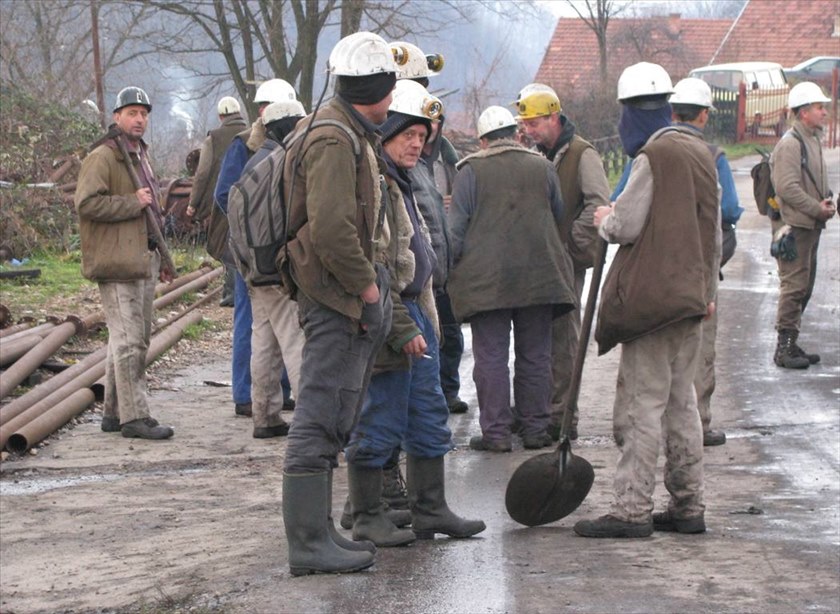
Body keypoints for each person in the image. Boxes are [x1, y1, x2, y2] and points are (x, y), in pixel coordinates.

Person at [574, 62, 720, 539]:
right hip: (691, 301)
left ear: (630, 113)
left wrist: (603, 218)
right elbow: (713, 230)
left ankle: (632, 510)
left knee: (641, 406)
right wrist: (708, 293)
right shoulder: (701, 152)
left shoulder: (652, 156)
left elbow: (625, 225)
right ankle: (688, 505)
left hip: (654, 304)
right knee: (682, 405)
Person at [343, 80, 486, 548]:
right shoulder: (374, 182)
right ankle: (366, 514)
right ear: (386, 132)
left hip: (416, 311)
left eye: (422, 137)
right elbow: (374, 262)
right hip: (387, 315)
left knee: (428, 413)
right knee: (379, 414)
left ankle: (431, 508)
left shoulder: (403, 179)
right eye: (408, 133)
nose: (416, 143)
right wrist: (402, 323)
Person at [278, 31, 397, 576]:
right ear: (375, 87)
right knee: (318, 412)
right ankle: (306, 542)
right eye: (391, 89)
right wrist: (366, 285)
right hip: (333, 295)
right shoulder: (332, 137)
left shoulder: (346, 129)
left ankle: (320, 531)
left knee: (332, 414)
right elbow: (331, 226)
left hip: (338, 293)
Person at [448, 105, 577, 453]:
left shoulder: (470, 171)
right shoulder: (543, 167)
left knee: (490, 357)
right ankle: (535, 429)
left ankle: (496, 434)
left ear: (483, 140)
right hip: (540, 277)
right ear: (515, 134)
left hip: (487, 282)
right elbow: (558, 212)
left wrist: (449, 272)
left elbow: (455, 232)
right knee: (536, 355)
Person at [75, 86, 174, 440]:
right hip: (117, 263)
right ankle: (135, 417)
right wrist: (131, 202)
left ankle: (113, 413)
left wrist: (161, 255)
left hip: (142, 258)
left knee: (131, 340)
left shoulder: (139, 155)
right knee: (130, 341)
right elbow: (86, 204)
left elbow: (153, 211)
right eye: (132, 113)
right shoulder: (103, 156)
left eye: (144, 114)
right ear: (116, 116)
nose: (139, 119)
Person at [516, 84, 610, 442]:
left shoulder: (583, 155)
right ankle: (534, 410)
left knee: (565, 340)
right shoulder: (536, 153)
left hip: (566, 262)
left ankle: (562, 416)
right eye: (525, 124)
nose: (528, 129)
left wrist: (570, 246)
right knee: (533, 338)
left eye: (535, 122)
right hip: (536, 261)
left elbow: (597, 206)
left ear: (554, 118)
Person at [390, 40, 468, 417]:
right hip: (407, 289)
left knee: (444, 345)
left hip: (432, 276)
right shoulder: (392, 165)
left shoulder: (434, 151)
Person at [213, 80, 298, 419]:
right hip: (251, 253)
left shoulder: (281, 146)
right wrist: (253, 231)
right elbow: (225, 195)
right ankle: (245, 395)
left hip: (264, 250)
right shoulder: (243, 146)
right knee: (254, 324)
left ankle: (275, 397)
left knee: (269, 328)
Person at [670, 77, 744, 446]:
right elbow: (729, 208)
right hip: (700, 267)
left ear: (672, 113)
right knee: (699, 346)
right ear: (703, 116)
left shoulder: (650, 151)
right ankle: (698, 422)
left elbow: (620, 199)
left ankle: (659, 422)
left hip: (659, 267)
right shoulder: (713, 156)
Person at [235, 99, 307, 439]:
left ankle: (264, 416)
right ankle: (312, 422)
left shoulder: (254, 162)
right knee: (296, 342)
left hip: (253, 268)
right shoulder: (283, 160)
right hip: (278, 268)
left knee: (263, 343)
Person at [770, 81, 835, 369]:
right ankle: (783, 350)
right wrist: (816, 209)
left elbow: (815, 182)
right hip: (795, 228)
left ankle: (791, 343)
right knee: (794, 287)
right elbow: (787, 188)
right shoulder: (791, 143)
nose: (825, 112)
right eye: (820, 107)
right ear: (804, 112)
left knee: (805, 287)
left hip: (810, 226)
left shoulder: (812, 139)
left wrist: (828, 200)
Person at [187, 96, 246, 307]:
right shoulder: (251, 134)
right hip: (250, 199)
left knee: (225, 243)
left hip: (222, 198)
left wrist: (194, 204)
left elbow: (202, 173)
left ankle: (231, 292)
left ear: (221, 116)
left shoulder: (214, 138)